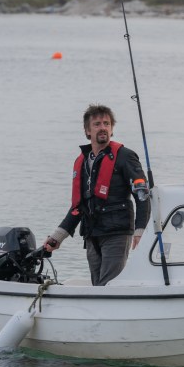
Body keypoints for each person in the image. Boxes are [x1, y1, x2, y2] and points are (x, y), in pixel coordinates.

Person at [43, 104, 151, 286]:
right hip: (92, 234)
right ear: (87, 131)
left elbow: (142, 195)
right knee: (97, 285)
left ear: (112, 128)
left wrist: (140, 230)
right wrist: (57, 237)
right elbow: (78, 206)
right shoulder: (82, 161)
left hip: (117, 232)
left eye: (107, 124)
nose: (103, 128)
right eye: (97, 124)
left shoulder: (125, 156)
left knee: (109, 285)